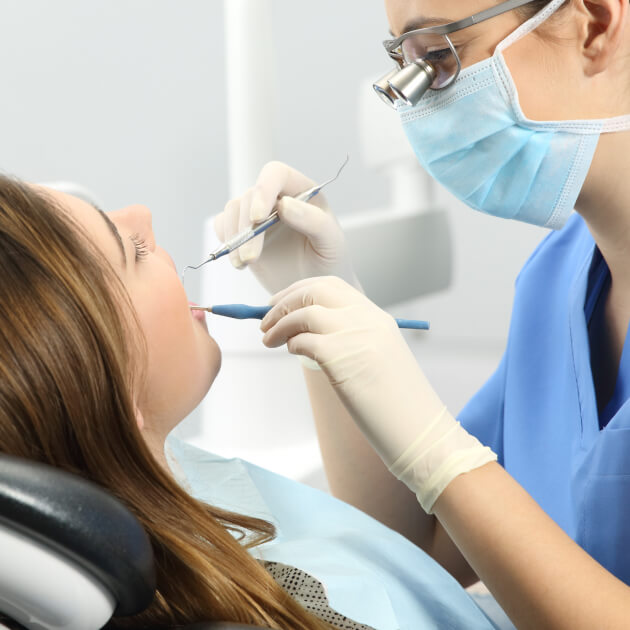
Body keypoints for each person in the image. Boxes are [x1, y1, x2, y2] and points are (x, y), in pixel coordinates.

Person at [215, 0, 630, 628]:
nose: (417, 101)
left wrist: (439, 453)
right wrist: (323, 292)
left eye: (438, 54)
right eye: (403, 61)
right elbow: (423, 541)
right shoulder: (559, 278)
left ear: (595, 24)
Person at [0, 175, 496, 630]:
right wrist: (438, 453)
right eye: (131, 250)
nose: (142, 214)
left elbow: (398, 561)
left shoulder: (160, 492)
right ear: (106, 392)